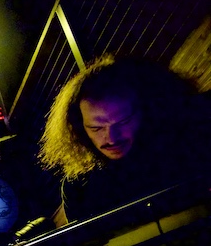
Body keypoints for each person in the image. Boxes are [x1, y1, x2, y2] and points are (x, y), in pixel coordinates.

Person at [38, 54, 211, 227]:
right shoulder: (77, 187)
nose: (111, 138)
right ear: (78, 127)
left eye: (123, 121)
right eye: (96, 128)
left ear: (146, 110)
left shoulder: (184, 143)